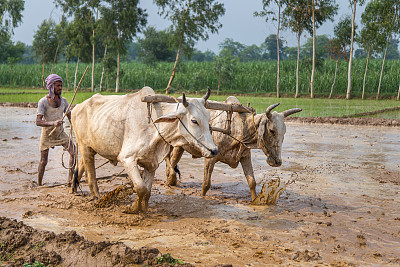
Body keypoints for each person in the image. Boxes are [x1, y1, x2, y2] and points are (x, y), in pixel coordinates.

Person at [36, 74, 75, 186]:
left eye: (61, 85)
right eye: (58, 85)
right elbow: (38, 121)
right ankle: (39, 185)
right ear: (51, 86)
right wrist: (53, 123)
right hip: (47, 134)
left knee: (74, 152)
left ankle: (70, 181)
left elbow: (70, 117)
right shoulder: (43, 102)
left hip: (60, 133)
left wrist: (77, 128)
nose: (60, 88)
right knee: (43, 161)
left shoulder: (64, 101)